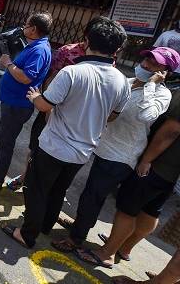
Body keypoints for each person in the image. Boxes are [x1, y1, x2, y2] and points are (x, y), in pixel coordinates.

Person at [2, 17, 131, 249]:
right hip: (83, 150)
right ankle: (44, 226)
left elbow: (45, 105)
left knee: (37, 189)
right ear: (118, 49)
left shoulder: (72, 72)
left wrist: (34, 97)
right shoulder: (122, 81)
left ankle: (27, 233)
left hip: (55, 145)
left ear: (87, 40)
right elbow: (113, 116)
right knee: (58, 189)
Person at [50, 47, 177, 253]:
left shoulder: (162, 95)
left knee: (93, 196)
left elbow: (146, 116)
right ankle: (80, 225)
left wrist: (151, 85)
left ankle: (76, 239)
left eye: (155, 64)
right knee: (90, 193)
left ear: (165, 72)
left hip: (121, 155)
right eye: (146, 60)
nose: (146, 65)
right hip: (101, 145)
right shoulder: (129, 83)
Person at [76, 88, 180, 269]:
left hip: (157, 164)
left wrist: (147, 159)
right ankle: (124, 248)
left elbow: (171, 131)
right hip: (171, 173)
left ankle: (106, 253)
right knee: (151, 210)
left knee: (127, 209)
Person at [0, 11, 53, 195]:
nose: (23, 27)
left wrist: (8, 63)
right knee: (4, 142)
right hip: (13, 102)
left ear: (33, 29)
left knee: (5, 143)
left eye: (26, 24)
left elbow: (26, 77)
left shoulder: (39, 50)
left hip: (17, 105)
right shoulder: (36, 46)